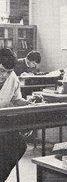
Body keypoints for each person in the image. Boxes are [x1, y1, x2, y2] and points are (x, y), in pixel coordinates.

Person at [0, 48, 40, 181]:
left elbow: (16, 99)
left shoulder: (12, 78)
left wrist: (28, 103)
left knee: (19, 145)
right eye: (1, 70)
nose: (4, 76)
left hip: (2, 123)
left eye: (8, 72)